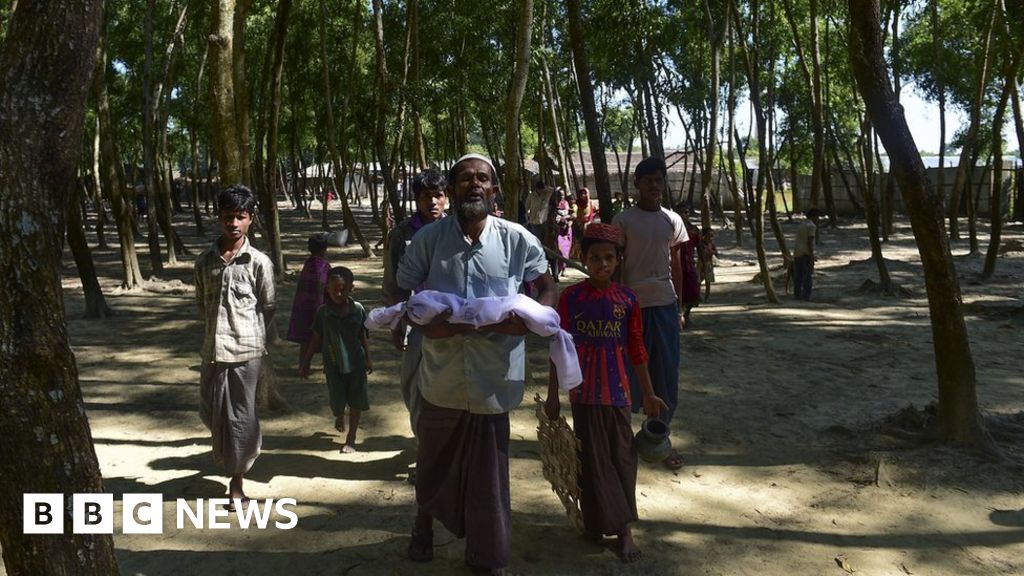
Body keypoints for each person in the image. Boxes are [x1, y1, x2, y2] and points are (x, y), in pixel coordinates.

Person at [396, 154, 556, 575]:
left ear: (494, 189)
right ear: (451, 190)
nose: (474, 185)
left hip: (492, 377)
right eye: (465, 179)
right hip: (441, 376)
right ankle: (423, 527)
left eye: (482, 179)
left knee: (488, 477)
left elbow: (546, 285)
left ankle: (487, 556)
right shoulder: (428, 240)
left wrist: (535, 320)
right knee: (432, 463)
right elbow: (405, 293)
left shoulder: (517, 239)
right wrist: (426, 327)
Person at [544, 223, 667, 563]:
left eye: (609, 258)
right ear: (583, 257)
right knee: (591, 461)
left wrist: (650, 394)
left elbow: (637, 350)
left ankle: (624, 529)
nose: (602, 264)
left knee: (622, 460)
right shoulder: (572, 299)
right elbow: (558, 347)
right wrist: (553, 393)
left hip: (618, 394)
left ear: (618, 260)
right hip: (583, 394)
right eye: (595, 257)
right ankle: (595, 523)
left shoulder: (627, 300)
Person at [194, 184, 275, 508]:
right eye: (228, 217)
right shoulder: (204, 262)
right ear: (219, 218)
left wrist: (252, 338)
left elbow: (268, 306)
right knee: (211, 413)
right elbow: (202, 303)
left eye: (240, 217)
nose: (233, 224)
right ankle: (233, 461)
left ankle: (237, 482)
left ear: (250, 219)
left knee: (241, 418)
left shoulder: (258, 262)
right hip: (212, 352)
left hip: (246, 353)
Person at [611, 157, 688, 471]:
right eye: (648, 181)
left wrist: (679, 308)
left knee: (666, 372)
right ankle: (623, 442)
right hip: (632, 308)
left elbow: (678, 266)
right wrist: (614, 305)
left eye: (659, 180)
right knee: (628, 372)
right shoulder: (623, 221)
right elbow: (614, 266)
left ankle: (660, 441)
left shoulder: (672, 220)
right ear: (637, 184)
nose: (655, 186)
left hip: (665, 307)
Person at [381, 169, 448, 440]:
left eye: (438, 196)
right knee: (413, 386)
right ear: (416, 200)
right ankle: (424, 447)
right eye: (425, 197)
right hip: (417, 322)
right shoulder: (402, 234)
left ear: (446, 198)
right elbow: (393, 282)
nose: (432, 202)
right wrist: (395, 324)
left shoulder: (456, 229)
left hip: (451, 321)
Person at [298, 266, 373, 452]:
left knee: (356, 401)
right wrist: (305, 362)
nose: (338, 293)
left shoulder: (358, 310)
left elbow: (363, 336)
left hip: (357, 364)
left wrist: (369, 359)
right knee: (337, 400)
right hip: (333, 366)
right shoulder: (323, 313)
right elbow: (315, 339)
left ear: (351, 289)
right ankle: (339, 414)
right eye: (334, 290)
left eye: (343, 289)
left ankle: (351, 437)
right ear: (327, 289)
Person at [286, 234, 331, 367]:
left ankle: (302, 364)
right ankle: (326, 366)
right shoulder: (324, 267)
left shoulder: (308, 264)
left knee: (305, 340)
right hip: (319, 307)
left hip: (303, 307)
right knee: (324, 338)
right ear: (325, 249)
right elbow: (326, 287)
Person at [672, 202, 701, 328]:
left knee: (693, 293)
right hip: (675, 267)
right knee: (677, 294)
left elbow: (699, 247)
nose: (685, 215)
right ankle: (678, 315)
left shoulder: (694, 230)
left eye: (687, 212)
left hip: (689, 266)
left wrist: (703, 265)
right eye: (682, 212)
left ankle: (686, 314)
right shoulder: (672, 229)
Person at [793, 208, 819, 301]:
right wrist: (812, 256)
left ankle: (797, 295)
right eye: (817, 217)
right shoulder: (811, 226)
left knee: (798, 276)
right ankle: (806, 296)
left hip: (797, 252)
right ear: (814, 216)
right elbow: (810, 241)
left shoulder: (802, 224)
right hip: (805, 253)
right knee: (808, 276)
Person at [699, 227, 718, 302]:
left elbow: (716, 252)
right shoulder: (701, 244)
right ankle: (697, 296)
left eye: (712, 236)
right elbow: (700, 253)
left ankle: (706, 298)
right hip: (701, 263)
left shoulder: (711, 244)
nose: (711, 238)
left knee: (708, 281)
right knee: (699, 280)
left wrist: (712, 252)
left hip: (709, 263)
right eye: (709, 235)